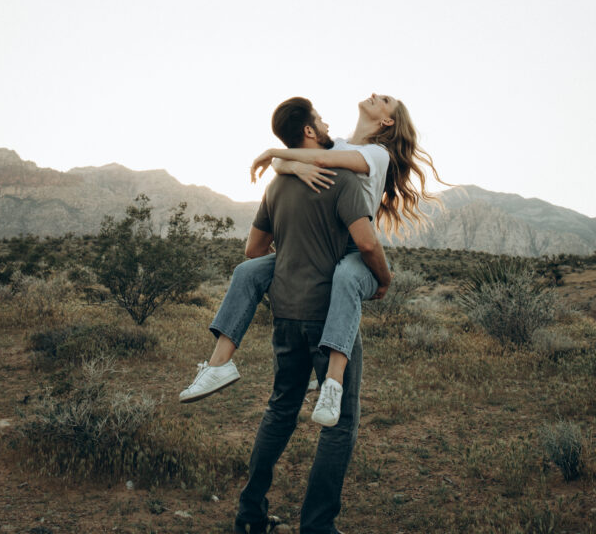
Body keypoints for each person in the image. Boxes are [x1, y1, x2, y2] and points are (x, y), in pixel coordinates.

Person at [180, 94, 443, 425]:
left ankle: (331, 384)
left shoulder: (377, 155)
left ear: (387, 121)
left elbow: (318, 161)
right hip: (318, 246)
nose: (376, 95)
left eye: (385, 100)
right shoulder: (338, 144)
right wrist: (291, 164)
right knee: (248, 271)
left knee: (346, 277)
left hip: (350, 249)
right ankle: (219, 365)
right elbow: (295, 162)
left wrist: (278, 154)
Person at [232, 98, 390, 534]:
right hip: (329, 313)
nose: (325, 123)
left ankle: (249, 515)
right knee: (339, 424)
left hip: (286, 311)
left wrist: (284, 164)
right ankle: (317, 526)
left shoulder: (279, 184)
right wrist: (383, 281)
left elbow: (253, 252)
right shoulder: (346, 177)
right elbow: (368, 242)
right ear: (308, 134)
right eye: (318, 119)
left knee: (281, 408)